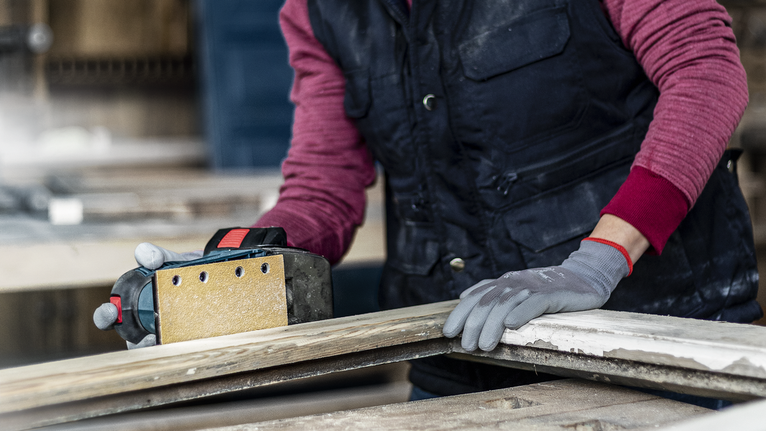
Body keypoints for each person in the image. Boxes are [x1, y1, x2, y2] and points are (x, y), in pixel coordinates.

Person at [104, 0, 763, 399]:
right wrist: (237, 266)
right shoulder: (319, 10)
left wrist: (600, 259)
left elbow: (706, 73)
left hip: (660, 340)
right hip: (459, 356)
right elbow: (323, 185)